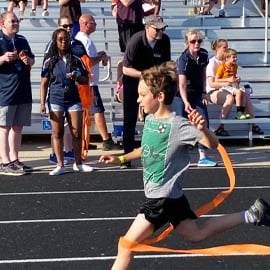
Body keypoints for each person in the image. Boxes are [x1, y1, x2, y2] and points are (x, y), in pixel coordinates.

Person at [99, 64, 270, 270]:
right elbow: (146, 149)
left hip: (160, 200)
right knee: (196, 235)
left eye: (142, 95)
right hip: (173, 198)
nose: (138, 99)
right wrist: (120, 159)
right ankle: (251, 214)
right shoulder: (151, 119)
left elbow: (212, 144)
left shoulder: (178, 126)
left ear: (160, 96)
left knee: (126, 246)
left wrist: (203, 129)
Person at [40, 28, 94, 176]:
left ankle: (78, 163)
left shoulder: (76, 59)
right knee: (58, 132)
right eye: (60, 39)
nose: (64, 42)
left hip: (73, 99)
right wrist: (42, 103)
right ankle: (60, 164)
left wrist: (76, 76)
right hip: (55, 98)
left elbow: (86, 79)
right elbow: (44, 83)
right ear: (55, 41)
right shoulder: (49, 61)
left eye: (66, 39)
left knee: (77, 132)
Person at [121, 14, 171, 169]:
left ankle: (156, 154)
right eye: (157, 29)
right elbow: (125, 69)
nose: (160, 33)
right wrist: (144, 75)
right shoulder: (136, 41)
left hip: (153, 83)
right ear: (147, 27)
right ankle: (126, 157)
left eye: (162, 29)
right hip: (133, 82)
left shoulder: (165, 41)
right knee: (129, 120)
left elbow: (165, 64)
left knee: (156, 120)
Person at [75, 14, 121, 151]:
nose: (95, 25)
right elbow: (87, 61)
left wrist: (99, 55)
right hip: (89, 83)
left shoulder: (81, 39)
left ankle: (83, 140)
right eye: (93, 23)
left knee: (84, 113)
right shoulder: (85, 41)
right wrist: (101, 57)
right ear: (86, 24)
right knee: (98, 111)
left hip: (86, 82)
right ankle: (106, 140)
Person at [0, 11, 35, 176]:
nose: (16, 23)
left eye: (17, 21)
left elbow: (32, 59)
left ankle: (14, 160)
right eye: (12, 21)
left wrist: (29, 61)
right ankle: (5, 162)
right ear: (3, 24)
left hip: (23, 89)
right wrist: (2, 58)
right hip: (6, 90)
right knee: (4, 128)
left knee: (18, 127)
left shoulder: (22, 39)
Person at [207, 39, 264, 136]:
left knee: (245, 95)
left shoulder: (229, 61)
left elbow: (230, 78)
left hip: (227, 89)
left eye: (227, 47)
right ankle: (220, 127)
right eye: (224, 47)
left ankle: (253, 124)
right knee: (229, 98)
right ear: (217, 48)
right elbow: (212, 84)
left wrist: (235, 80)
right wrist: (228, 82)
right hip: (213, 91)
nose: (226, 49)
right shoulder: (213, 62)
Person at [177, 29, 217, 167]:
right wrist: (186, 101)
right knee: (180, 124)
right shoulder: (184, 59)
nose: (196, 44)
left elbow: (203, 74)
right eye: (193, 41)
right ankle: (178, 155)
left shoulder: (204, 54)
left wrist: (204, 92)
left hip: (197, 92)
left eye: (199, 41)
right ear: (187, 43)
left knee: (203, 120)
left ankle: (202, 156)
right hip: (183, 94)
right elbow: (181, 84)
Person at [215, 48, 250, 120]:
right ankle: (238, 113)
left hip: (232, 86)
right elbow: (216, 80)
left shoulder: (235, 66)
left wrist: (237, 79)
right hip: (224, 87)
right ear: (227, 58)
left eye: (236, 57)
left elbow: (233, 77)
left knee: (243, 92)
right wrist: (228, 79)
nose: (235, 58)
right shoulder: (222, 67)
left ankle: (242, 112)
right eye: (233, 57)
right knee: (238, 91)